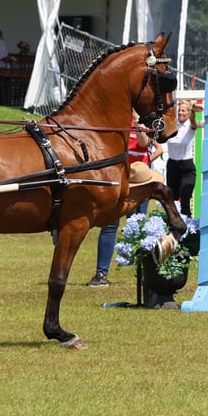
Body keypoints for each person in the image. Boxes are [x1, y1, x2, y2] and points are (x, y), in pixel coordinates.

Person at [86, 111, 162, 287]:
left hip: (139, 180)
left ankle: (145, 275)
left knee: (140, 226)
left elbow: (144, 143)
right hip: (118, 180)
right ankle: (101, 274)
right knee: (109, 226)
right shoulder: (116, 121)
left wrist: (137, 122)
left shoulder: (142, 123)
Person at [166, 99, 199, 217]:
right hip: (172, 165)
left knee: (185, 198)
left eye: (184, 111)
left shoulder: (191, 125)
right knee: (172, 199)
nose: (181, 113)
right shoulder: (173, 124)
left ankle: (188, 226)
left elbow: (195, 124)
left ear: (189, 113)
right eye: (179, 110)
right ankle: (173, 224)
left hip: (186, 166)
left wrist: (194, 113)